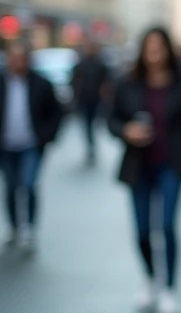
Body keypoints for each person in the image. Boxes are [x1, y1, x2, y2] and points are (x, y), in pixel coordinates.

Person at [109, 27, 181, 313]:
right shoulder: (127, 84)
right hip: (138, 167)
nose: (154, 54)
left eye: (159, 47)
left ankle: (170, 288)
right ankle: (151, 278)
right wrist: (126, 130)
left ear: (168, 50)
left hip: (173, 165)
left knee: (166, 226)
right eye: (149, 48)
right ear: (142, 51)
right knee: (142, 231)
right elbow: (112, 120)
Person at [0, 42, 63, 253]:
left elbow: (56, 112)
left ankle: (30, 229)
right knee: (11, 187)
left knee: (28, 185)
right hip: (6, 146)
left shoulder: (41, 83)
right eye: (13, 57)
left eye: (21, 58)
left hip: (31, 145)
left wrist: (46, 137)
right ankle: (15, 228)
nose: (17, 62)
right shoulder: (2, 82)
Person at [71, 38, 111, 166]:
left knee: (93, 125)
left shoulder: (100, 64)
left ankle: (92, 145)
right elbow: (73, 81)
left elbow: (107, 82)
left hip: (96, 101)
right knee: (87, 126)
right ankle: (90, 146)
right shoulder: (80, 64)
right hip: (84, 100)